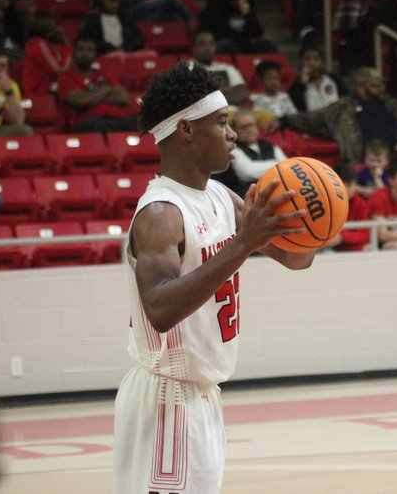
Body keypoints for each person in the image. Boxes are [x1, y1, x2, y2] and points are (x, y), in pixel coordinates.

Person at [112, 61, 315, 493]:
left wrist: (315, 216)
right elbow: (161, 308)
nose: (233, 133)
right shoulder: (161, 213)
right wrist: (243, 245)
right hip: (165, 399)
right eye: (222, 122)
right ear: (186, 130)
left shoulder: (222, 197)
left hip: (203, 398)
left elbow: (296, 259)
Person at [282, 67, 397, 163]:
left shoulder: (395, 106)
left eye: (382, 85)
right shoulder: (343, 108)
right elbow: (312, 119)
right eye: (375, 86)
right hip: (362, 165)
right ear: (360, 88)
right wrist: (285, 120)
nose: (381, 89)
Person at [56, 36, 137, 133]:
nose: (85, 54)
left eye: (90, 50)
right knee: (93, 125)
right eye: (81, 49)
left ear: (95, 55)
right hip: (87, 122)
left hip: (116, 119)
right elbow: (80, 101)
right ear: (74, 53)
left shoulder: (104, 74)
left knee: (142, 124)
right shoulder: (66, 77)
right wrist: (106, 90)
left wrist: (89, 96)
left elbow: (123, 99)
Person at [211, 109, 288, 198]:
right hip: (250, 195)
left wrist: (280, 166)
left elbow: (288, 167)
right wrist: (278, 165)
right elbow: (248, 172)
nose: (248, 130)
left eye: (251, 125)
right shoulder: (233, 148)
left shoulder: (270, 145)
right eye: (244, 127)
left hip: (278, 189)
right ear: (235, 130)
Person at [198, 0, 277, 55]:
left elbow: (257, 33)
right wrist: (247, 39)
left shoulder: (245, 6)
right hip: (222, 45)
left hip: (242, 45)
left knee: (268, 45)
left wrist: (246, 11)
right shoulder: (216, 7)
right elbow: (220, 34)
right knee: (229, 45)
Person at [332, 0, 387, 74]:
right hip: (359, 18)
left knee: (351, 45)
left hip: (346, 17)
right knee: (363, 47)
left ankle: (349, 68)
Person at [78, 0, 145, 56]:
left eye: (117, 1)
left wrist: (125, 47)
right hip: (102, 55)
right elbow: (87, 40)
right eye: (112, 1)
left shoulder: (125, 17)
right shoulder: (92, 19)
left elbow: (139, 39)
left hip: (126, 54)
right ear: (102, 1)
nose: (116, 4)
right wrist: (110, 48)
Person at [189, 30, 250, 107]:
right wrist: (222, 92)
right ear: (193, 48)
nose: (207, 48)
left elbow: (242, 92)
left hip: (230, 112)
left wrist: (211, 95)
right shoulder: (187, 69)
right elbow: (190, 96)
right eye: (202, 44)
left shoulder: (227, 69)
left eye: (211, 44)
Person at [22, 10, 72, 96]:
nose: (58, 28)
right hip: (38, 93)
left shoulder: (53, 45)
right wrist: (66, 45)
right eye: (54, 24)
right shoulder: (38, 44)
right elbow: (60, 71)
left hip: (50, 90)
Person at [288, 45, 347, 112]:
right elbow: (297, 109)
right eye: (307, 59)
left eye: (316, 59)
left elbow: (346, 99)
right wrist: (302, 84)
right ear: (301, 61)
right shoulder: (296, 87)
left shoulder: (333, 79)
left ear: (321, 61)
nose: (311, 63)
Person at [330, 161, 370, 251]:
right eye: (342, 186)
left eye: (350, 185)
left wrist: (341, 237)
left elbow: (365, 234)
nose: (346, 190)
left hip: (354, 247)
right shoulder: (325, 203)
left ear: (355, 184)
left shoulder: (361, 204)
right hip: (329, 249)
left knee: (369, 248)